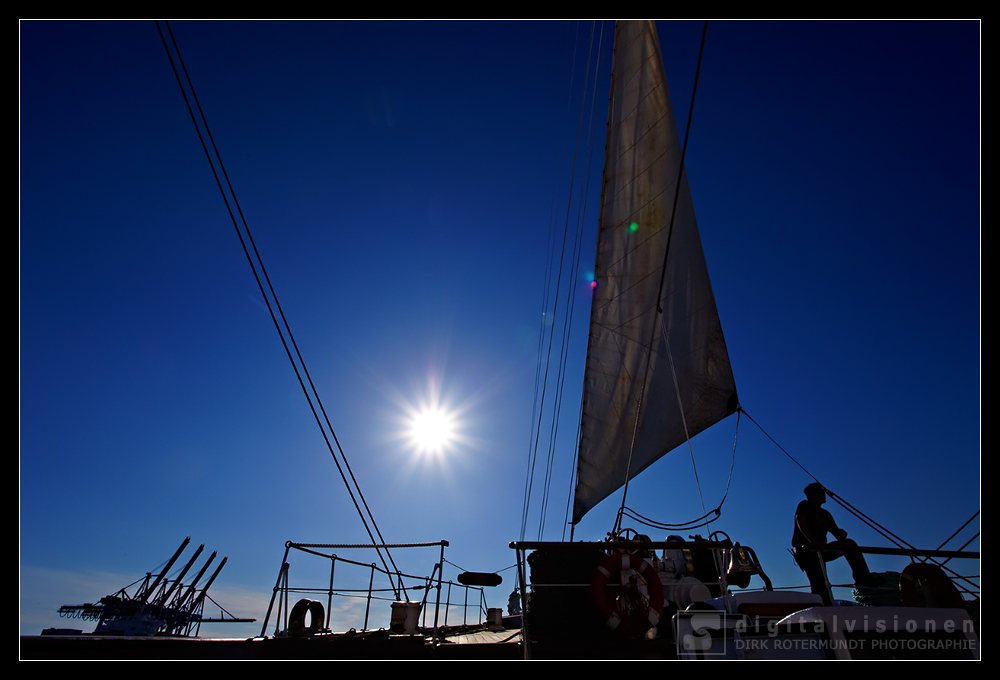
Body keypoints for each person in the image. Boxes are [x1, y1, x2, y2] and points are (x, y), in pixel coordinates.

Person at [792, 482, 876, 604]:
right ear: (810, 495)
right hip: (807, 550)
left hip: (822, 549)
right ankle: (822, 606)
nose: (823, 494)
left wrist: (841, 534)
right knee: (819, 583)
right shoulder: (804, 505)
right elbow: (800, 519)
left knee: (849, 544)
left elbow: (837, 534)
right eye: (820, 492)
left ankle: (864, 581)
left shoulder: (826, 514)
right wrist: (812, 541)